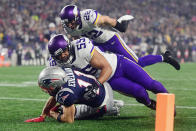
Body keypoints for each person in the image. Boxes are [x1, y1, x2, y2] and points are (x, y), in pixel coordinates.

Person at [47, 34, 175, 112]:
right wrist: (46, 112)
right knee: (140, 92)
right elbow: (57, 88)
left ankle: (170, 103)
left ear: (68, 46)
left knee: (150, 84)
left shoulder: (82, 47)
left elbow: (106, 67)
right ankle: (150, 104)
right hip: (111, 80)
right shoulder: (56, 65)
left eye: (64, 50)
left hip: (118, 64)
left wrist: (97, 84)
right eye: (59, 54)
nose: (63, 55)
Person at [59, 5, 180, 70]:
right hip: (96, 44)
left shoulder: (88, 16)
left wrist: (118, 25)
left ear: (77, 16)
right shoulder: (69, 28)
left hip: (112, 40)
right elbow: (77, 40)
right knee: (96, 67)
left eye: (71, 21)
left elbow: (105, 19)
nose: (70, 25)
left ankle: (164, 57)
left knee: (138, 63)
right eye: (67, 22)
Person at [25, 66, 123, 123]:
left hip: (103, 104)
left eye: (46, 88)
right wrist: (43, 115)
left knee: (69, 113)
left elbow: (69, 120)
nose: (46, 91)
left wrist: (52, 113)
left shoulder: (66, 92)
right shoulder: (64, 70)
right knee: (64, 106)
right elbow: (55, 95)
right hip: (105, 86)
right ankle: (112, 103)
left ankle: (112, 109)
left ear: (54, 85)